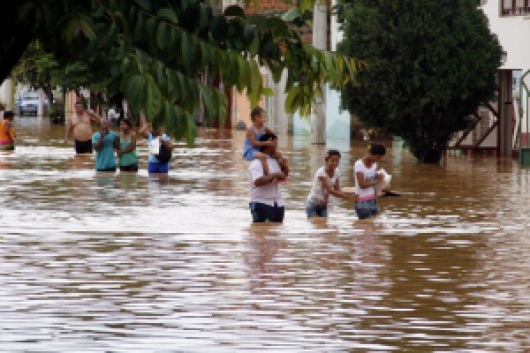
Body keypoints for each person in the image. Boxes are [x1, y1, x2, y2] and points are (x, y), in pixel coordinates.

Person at [248, 133, 289, 223]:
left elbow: (284, 175)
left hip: (278, 203)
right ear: (268, 144)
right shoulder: (256, 162)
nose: (277, 147)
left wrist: (284, 166)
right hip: (261, 203)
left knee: (277, 234)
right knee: (261, 234)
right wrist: (275, 175)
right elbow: (257, 181)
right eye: (275, 144)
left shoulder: (275, 160)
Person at [306, 150, 356, 218]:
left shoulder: (337, 172)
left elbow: (337, 190)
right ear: (327, 161)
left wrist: (351, 193)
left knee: (324, 226)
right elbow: (331, 191)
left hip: (323, 205)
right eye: (332, 161)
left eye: (337, 161)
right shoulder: (321, 173)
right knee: (315, 224)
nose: (335, 163)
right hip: (312, 204)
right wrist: (348, 197)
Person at [243, 106, 285, 175]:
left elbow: (275, 136)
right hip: (251, 150)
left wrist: (272, 138)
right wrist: (267, 143)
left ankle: (281, 172)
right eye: (263, 117)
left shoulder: (265, 128)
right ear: (256, 118)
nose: (265, 119)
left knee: (278, 154)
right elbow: (254, 143)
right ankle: (267, 174)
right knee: (262, 156)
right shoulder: (250, 130)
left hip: (260, 149)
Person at [354, 143, 386, 220]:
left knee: (373, 226)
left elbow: (371, 177)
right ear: (371, 154)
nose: (378, 160)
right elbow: (362, 184)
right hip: (362, 201)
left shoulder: (374, 164)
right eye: (378, 157)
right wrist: (377, 180)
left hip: (372, 199)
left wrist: (378, 176)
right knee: (366, 225)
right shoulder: (359, 165)